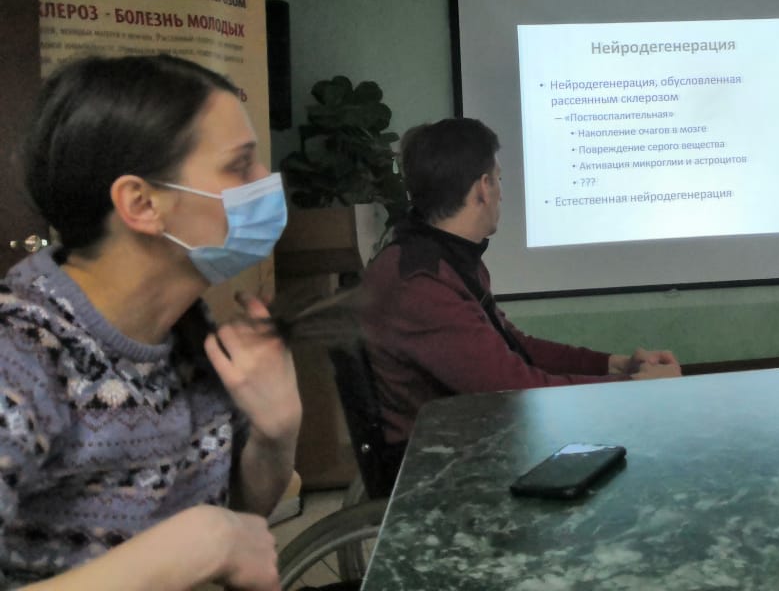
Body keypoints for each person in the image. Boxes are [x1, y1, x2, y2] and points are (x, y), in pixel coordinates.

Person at [0, 54, 301, 591]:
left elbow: (242, 518)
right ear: (141, 204)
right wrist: (202, 543)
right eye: (240, 166)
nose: (266, 181)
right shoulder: (19, 356)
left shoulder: (186, 327)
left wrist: (276, 431)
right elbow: (217, 540)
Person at [359, 117, 681, 458]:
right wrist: (633, 390)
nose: (501, 192)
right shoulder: (421, 283)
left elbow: (514, 347)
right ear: (483, 188)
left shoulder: (440, 259)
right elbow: (516, 391)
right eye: (498, 179)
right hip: (443, 463)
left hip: (468, 441)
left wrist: (615, 366)